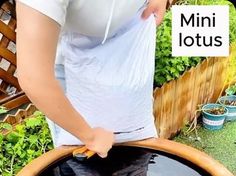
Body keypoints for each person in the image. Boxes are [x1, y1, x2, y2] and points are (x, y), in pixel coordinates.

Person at [15, 0, 168, 157]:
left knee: (137, 157)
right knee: (82, 170)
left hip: (129, 58)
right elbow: (34, 78)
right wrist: (89, 135)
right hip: (74, 73)